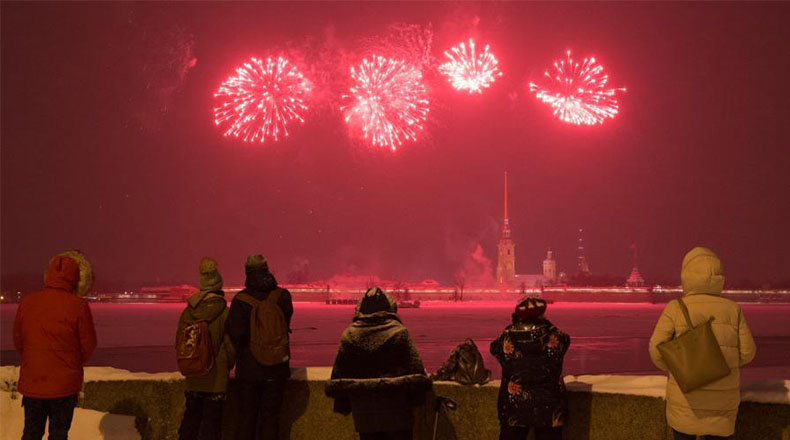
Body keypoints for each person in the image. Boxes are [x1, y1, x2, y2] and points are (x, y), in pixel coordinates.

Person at [649, 247, 756, 440]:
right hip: (722, 404)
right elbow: (748, 352)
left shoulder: (675, 308)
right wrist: (722, 363)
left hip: (685, 399)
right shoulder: (733, 310)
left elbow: (656, 349)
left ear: (686, 275)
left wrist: (679, 366)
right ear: (719, 277)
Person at [325, 287, 432, 440]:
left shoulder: (349, 335)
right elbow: (415, 370)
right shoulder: (399, 332)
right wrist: (417, 399)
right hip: (397, 410)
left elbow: (340, 374)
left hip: (364, 413)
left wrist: (343, 404)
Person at [13, 253, 97, 440]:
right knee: (59, 434)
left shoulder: (28, 302)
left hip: (33, 383)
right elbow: (88, 346)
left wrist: (34, 360)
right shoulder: (78, 306)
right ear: (76, 279)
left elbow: (19, 341)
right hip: (64, 386)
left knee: (31, 433)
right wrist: (69, 363)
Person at [228, 255, 293, 440]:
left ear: (247, 272)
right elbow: (285, 322)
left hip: (249, 370)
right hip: (277, 368)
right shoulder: (283, 296)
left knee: (247, 418)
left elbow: (236, 334)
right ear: (267, 269)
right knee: (271, 418)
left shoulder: (241, 300)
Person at [490, 297, 570, 440]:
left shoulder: (507, 336)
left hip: (514, 404)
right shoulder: (554, 335)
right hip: (549, 404)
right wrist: (545, 324)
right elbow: (565, 342)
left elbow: (495, 349)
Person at [176, 258, 235, 440]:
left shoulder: (188, 312)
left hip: (193, 374)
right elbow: (231, 347)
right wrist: (226, 366)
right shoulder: (225, 313)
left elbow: (179, 342)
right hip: (216, 377)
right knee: (212, 425)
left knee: (190, 420)